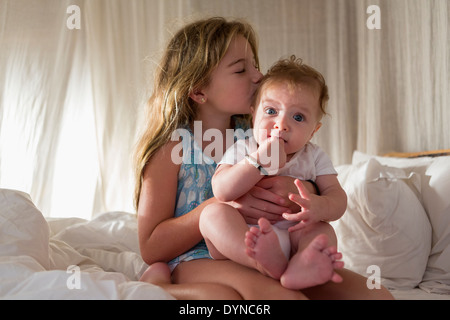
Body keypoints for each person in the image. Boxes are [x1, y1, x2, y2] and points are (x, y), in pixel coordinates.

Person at [135, 16, 394, 300]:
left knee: (377, 296)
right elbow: (151, 248)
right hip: (198, 258)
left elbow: (311, 173)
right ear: (199, 90)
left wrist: (303, 191)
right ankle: (162, 287)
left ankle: (281, 268)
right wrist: (226, 201)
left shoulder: (257, 133)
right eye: (241, 70)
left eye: (255, 65)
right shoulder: (173, 148)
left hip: (275, 246)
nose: (258, 76)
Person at [199, 55, 346, 290]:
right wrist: (258, 163)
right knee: (211, 215)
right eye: (270, 111)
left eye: (298, 117)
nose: (281, 124)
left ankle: (303, 266)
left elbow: (338, 198)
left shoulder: (314, 156)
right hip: (246, 236)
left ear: (312, 132)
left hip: (295, 235)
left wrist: (320, 206)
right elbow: (221, 190)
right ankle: (259, 261)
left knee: (323, 231)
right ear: (253, 115)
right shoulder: (245, 148)